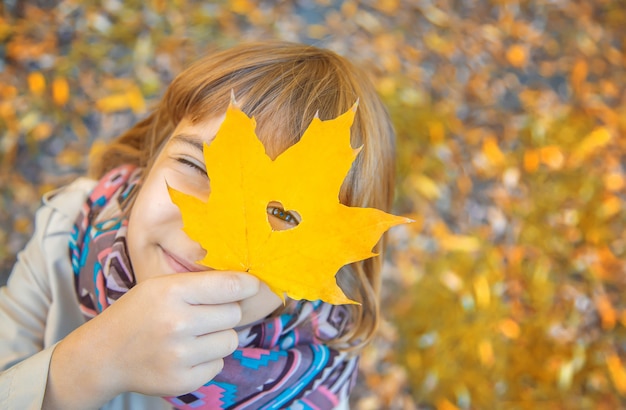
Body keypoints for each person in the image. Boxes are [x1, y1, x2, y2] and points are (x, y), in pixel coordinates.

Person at [0, 41, 397, 409]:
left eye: (281, 214)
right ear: (154, 153)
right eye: (194, 165)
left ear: (331, 263)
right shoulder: (66, 228)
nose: (201, 238)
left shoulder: (312, 388)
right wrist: (92, 363)